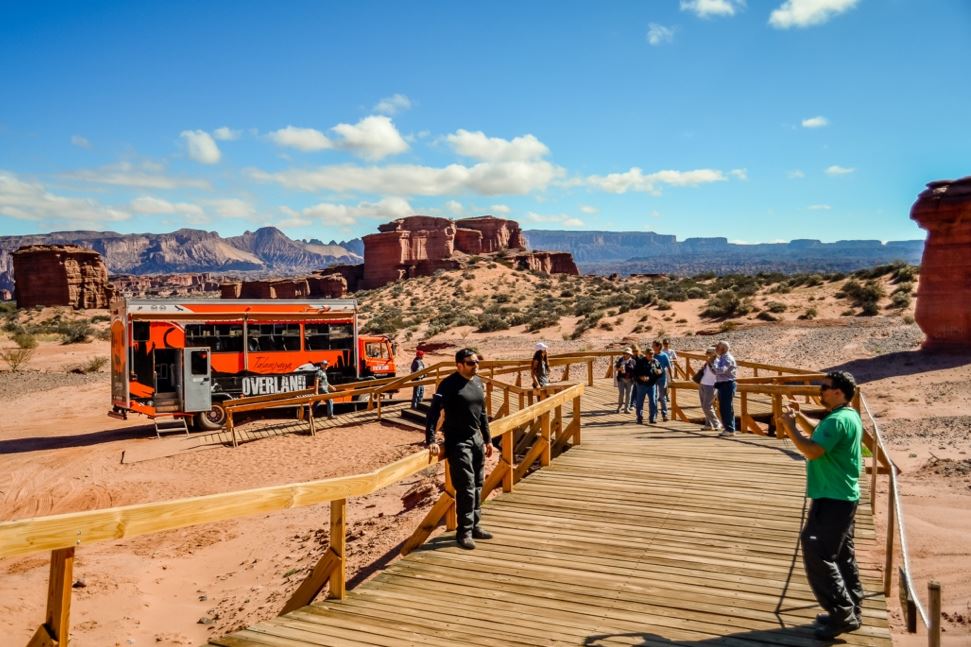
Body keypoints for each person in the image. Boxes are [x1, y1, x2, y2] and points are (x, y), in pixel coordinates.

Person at [780, 371, 864, 640]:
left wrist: (790, 426)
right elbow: (821, 434)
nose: (820, 390)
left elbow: (813, 449)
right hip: (844, 496)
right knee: (841, 555)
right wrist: (801, 416)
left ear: (839, 392)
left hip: (831, 498)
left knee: (818, 552)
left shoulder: (837, 420)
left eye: (825, 387)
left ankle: (842, 614)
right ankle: (851, 606)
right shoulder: (847, 415)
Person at [425, 348, 494, 550]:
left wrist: (488, 439)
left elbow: (482, 413)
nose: (476, 365)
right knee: (466, 488)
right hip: (458, 442)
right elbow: (432, 413)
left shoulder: (478, 382)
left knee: (478, 485)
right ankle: (463, 532)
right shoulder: (448, 384)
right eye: (471, 363)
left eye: (477, 362)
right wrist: (431, 439)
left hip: (477, 441)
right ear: (459, 365)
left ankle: (475, 526)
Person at [710, 340, 738, 436]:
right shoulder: (722, 357)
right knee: (724, 407)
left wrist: (713, 363)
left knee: (726, 407)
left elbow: (721, 370)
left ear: (723, 349)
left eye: (717, 347)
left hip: (727, 384)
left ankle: (730, 429)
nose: (716, 349)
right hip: (723, 384)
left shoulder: (727, 358)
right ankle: (729, 428)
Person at [631, 345, 663, 425]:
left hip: (652, 385)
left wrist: (659, 372)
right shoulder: (640, 362)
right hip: (641, 385)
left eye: (652, 354)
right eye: (649, 354)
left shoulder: (655, 361)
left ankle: (652, 418)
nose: (651, 355)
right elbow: (634, 373)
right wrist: (641, 377)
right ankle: (639, 418)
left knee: (653, 402)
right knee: (639, 402)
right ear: (646, 354)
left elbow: (660, 370)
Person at [698, 346, 722, 431]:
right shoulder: (707, 362)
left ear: (714, 353)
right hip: (703, 384)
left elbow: (716, 372)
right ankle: (708, 424)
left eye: (709, 353)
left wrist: (711, 363)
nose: (707, 355)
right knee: (704, 405)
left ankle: (716, 423)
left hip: (711, 386)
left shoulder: (717, 362)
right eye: (707, 353)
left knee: (707, 406)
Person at [651, 340, 671, 422]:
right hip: (653, 378)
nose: (652, 347)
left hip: (662, 378)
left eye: (654, 346)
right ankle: (654, 414)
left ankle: (664, 414)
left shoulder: (664, 355)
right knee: (654, 397)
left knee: (662, 397)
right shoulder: (651, 355)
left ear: (658, 346)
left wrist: (671, 378)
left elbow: (669, 367)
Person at [613, 348, 634, 413]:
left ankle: (626, 408)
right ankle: (619, 407)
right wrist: (619, 369)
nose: (625, 355)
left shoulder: (633, 361)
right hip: (621, 379)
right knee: (621, 394)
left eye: (627, 354)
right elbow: (615, 368)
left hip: (630, 380)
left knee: (628, 394)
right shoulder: (620, 360)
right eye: (624, 353)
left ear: (630, 355)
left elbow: (635, 370)